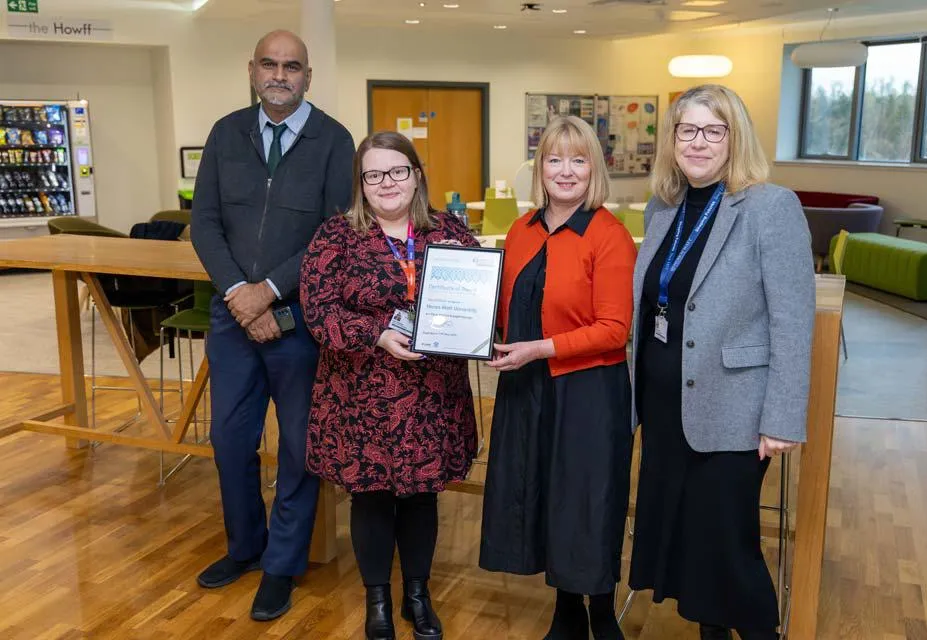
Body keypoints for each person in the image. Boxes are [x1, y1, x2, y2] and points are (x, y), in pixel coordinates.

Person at [627, 84, 815, 640]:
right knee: (693, 550)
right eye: (688, 130)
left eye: (714, 130)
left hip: (732, 413)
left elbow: (792, 321)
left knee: (729, 548)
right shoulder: (663, 207)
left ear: (736, 138)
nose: (699, 142)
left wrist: (781, 418)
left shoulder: (769, 206)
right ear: (673, 139)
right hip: (665, 411)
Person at [190, 29, 355, 621]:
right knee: (229, 440)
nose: (279, 74)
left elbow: (334, 233)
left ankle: (282, 567)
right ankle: (245, 548)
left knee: (298, 448)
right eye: (269, 64)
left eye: (292, 66)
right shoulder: (225, 133)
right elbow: (204, 222)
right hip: (233, 318)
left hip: (301, 321)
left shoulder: (334, 141)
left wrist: (270, 293)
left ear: (307, 76)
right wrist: (240, 295)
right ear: (252, 70)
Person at [300, 131, 478, 640]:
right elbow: (319, 313)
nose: (387, 182)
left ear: (417, 174)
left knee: (422, 496)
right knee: (371, 497)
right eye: (374, 174)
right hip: (360, 397)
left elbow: (478, 296)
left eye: (397, 170)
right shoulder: (334, 238)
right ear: (361, 183)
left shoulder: (450, 233)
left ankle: (417, 595)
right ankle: (377, 600)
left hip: (431, 395)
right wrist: (375, 334)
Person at [479, 115, 637, 640]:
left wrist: (541, 349)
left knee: (588, 499)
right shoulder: (521, 233)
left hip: (588, 389)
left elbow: (614, 330)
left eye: (578, 159)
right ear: (539, 167)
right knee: (542, 491)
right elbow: (504, 308)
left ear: (594, 167)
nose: (565, 171)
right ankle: (567, 608)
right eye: (554, 159)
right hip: (528, 387)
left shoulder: (609, 235)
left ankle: (600, 610)